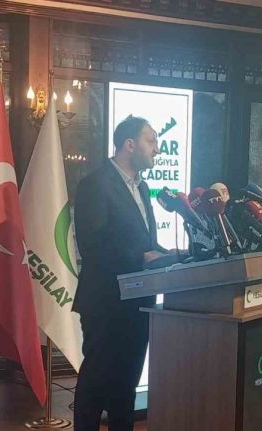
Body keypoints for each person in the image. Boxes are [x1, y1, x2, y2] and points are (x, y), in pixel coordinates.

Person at [72, 115, 169, 431]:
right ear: (130, 144)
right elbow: (92, 245)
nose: (157, 149)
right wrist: (140, 256)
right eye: (151, 141)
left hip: (138, 301)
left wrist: (173, 256)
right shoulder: (95, 184)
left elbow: (146, 242)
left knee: (126, 384)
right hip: (105, 302)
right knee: (96, 382)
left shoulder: (143, 187)